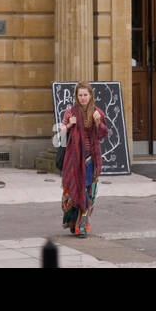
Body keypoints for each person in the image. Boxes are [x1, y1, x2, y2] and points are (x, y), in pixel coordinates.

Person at [61, 83, 109, 236]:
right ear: (76, 96)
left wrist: (97, 122)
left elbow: (103, 134)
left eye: (85, 95)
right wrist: (69, 125)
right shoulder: (70, 112)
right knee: (74, 189)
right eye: (80, 95)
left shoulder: (97, 113)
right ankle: (75, 221)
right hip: (74, 158)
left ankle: (82, 224)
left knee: (87, 189)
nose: (83, 98)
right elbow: (60, 134)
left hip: (90, 158)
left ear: (90, 96)